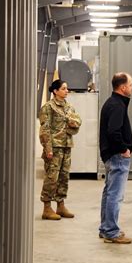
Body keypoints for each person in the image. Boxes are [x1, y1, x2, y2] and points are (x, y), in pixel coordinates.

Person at [99, 72, 132, 244]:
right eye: (131, 84)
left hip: (111, 155)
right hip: (117, 156)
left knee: (109, 193)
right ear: (123, 87)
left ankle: (105, 228)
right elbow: (114, 132)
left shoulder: (113, 102)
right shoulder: (117, 105)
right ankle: (111, 231)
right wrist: (124, 149)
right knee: (115, 195)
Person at [39, 79, 82, 220]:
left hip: (66, 145)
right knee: (52, 178)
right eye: (63, 88)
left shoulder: (69, 107)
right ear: (55, 91)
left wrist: (73, 122)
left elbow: (78, 121)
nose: (67, 91)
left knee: (64, 177)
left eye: (67, 88)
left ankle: (60, 205)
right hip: (54, 147)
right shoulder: (48, 107)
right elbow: (45, 130)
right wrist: (48, 149)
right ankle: (47, 207)